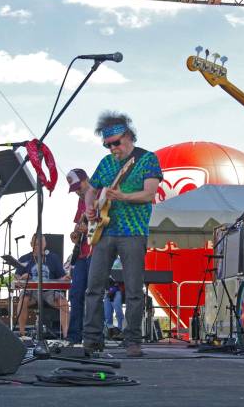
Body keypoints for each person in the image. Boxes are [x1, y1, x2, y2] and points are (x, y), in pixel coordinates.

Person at [83, 111, 163, 357]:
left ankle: (132, 340)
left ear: (128, 136)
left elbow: (150, 194)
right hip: (105, 232)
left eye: (116, 143)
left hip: (133, 232)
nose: (112, 149)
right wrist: (90, 207)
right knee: (93, 287)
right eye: (107, 145)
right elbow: (90, 188)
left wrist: (124, 197)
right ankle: (92, 339)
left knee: (134, 288)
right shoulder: (106, 163)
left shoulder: (147, 159)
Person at [14, 234, 70, 340]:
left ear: (45, 244)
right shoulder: (25, 258)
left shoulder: (53, 258)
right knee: (23, 300)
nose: (39, 244)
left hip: (50, 292)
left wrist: (65, 279)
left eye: (41, 242)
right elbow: (16, 276)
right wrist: (22, 277)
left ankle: (66, 336)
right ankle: (22, 335)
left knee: (64, 302)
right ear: (31, 244)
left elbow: (61, 277)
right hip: (31, 292)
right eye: (36, 242)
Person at [65, 168, 93, 345]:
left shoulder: (99, 195)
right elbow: (78, 226)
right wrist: (75, 234)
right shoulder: (80, 202)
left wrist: (89, 227)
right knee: (75, 294)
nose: (77, 191)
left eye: (78, 186)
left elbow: (107, 220)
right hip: (82, 254)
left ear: (86, 179)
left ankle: (93, 335)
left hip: (97, 251)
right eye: (74, 188)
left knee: (93, 294)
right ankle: (74, 335)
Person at [104, 257, 125, 339]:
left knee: (118, 311)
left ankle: (120, 330)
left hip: (117, 290)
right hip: (107, 291)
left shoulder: (120, 261)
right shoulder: (105, 260)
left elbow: (122, 276)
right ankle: (109, 332)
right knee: (107, 313)